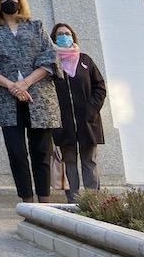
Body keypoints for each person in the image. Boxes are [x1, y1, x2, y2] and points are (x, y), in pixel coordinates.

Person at [0, 0, 62, 203]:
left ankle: (44, 202)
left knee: (41, 152)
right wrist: (12, 86)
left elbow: (50, 57)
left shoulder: (36, 26)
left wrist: (25, 83)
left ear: (20, 1)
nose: (9, 1)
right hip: (7, 99)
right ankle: (27, 201)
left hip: (39, 97)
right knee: (16, 152)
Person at [50, 23, 106, 202]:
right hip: (64, 124)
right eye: (60, 34)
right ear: (54, 39)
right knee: (70, 164)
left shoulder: (85, 60)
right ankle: (73, 202)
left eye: (67, 33)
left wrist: (91, 110)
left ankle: (92, 202)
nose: (64, 37)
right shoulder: (51, 64)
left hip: (87, 123)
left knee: (89, 162)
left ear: (73, 37)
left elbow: (100, 87)